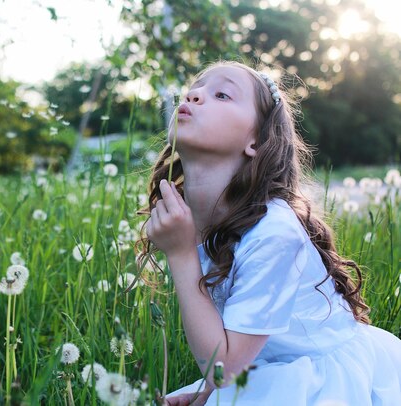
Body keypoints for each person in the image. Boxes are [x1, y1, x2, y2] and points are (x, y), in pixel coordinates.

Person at [138, 60, 401, 405]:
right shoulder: (195, 216)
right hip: (261, 367)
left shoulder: (273, 231)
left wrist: (182, 253)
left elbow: (224, 366)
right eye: (196, 88)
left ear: (255, 142)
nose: (195, 94)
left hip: (323, 380)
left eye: (221, 94)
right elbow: (233, 351)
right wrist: (210, 393)